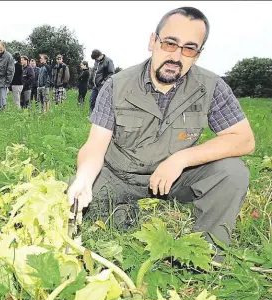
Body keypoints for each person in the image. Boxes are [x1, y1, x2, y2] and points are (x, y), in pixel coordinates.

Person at [67, 7, 255, 251]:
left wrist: (182, 159)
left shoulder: (211, 86)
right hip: (120, 176)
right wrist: (84, 177)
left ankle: (205, 253)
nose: (177, 56)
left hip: (174, 178)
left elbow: (244, 140)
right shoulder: (117, 85)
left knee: (233, 171)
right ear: (153, 41)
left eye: (189, 48)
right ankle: (126, 210)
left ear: (197, 54)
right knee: (77, 197)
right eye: (169, 43)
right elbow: (95, 146)